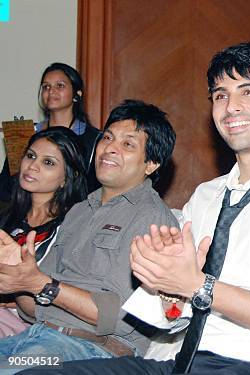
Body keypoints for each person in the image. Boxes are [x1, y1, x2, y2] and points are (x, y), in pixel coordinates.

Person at [29, 41, 250, 375]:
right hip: (174, 360)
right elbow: (171, 317)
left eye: (248, 92)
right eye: (221, 95)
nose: (231, 107)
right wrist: (166, 287)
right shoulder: (206, 196)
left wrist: (201, 287)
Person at [0, 99, 177, 373]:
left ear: (151, 164)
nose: (109, 148)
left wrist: (41, 284)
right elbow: (35, 307)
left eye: (128, 144)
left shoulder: (151, 219)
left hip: (92, 349)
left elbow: (116, 315)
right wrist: (19, 274)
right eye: (107, 137)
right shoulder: (80, 211)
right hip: (38, 336)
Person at [0, 127, 87, 338]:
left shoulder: (73, 226)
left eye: (48, 162)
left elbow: (67, 294)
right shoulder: (7, 218)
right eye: (30, 156)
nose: (32, 166)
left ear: (66, 178)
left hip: (36, 326)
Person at [36, 62, 101, 193]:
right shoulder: (25, 133)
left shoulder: (94, 139)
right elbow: (6, 186)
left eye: (59, 85)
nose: (51, 91)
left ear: (77, 94)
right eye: (46, 86)